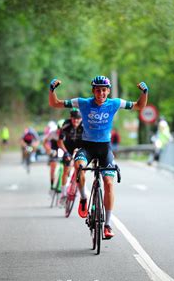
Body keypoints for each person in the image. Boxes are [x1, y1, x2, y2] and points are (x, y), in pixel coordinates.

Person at [49, 75, 148, 239]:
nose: (101, 93)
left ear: (108, 91)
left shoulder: (114, 103)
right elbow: (55, 103)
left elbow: (139, 106)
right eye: (97, 90)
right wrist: (52, 90)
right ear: (93, 91)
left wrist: (144, 92)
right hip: (87, 147)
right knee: (79, 167)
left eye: (104, 90)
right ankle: (83, 198)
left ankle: (107, 225)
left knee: (109, 183)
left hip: (105, 148)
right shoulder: (83, 103)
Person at [58, 108, 84, 202]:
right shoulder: (66, 125)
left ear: (81, 118)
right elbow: (60, 142)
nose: (76, 121)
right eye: (74, 118)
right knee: (66, 168)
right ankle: (63, 194)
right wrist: (66, 153)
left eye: (78, 119)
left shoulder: (85, 125)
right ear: (70, 118)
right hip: (68, 147)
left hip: (81, 147)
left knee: (82, 169)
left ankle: (78, 188)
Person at [43, 121, 61, 191]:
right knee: (53, 166)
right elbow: (45, 142)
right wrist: (49, 150)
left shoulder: (67, 133)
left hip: (62, 149)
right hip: (54, 149)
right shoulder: (52, 133)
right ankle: (52, 182)